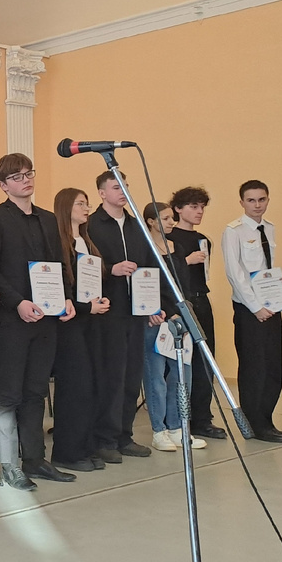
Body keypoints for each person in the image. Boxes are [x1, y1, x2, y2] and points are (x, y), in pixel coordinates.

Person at [0, 153, 76, 490]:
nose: (26, 180)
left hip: (46, 318)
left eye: (29, 173)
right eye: (17, 177)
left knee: (36, 389)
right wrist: (17, 302)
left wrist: (65, 298)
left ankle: (35, 459)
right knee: (9, 393)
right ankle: (9, 464)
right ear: (3, 185)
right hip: (12, 319)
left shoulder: (47, 218)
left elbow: (58, 264)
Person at [86, 171, 155, 461]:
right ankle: (104, 439)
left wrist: (154, 304)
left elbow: (150, 265)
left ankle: (125, 435)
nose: (123, 191)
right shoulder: (91, 226)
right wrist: (110, 269)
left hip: (135, 311)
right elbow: (83, 267)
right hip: (107, 312)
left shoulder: (137, 225)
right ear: (102, 193)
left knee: (131, 376)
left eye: (125, 186)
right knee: (110, 376)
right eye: (116, 187)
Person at [222, 180, 282, 443]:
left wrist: (277, 282)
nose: (257, 205)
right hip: (249, 309)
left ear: (268, 200)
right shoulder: (234, 231)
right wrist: (256, 307)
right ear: (242, 202)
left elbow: (265, 268)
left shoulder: (269, 228)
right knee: (254, 366)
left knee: (273, 365)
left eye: (261, 199)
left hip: (273, 304)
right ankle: (255, 423)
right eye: (251, 200)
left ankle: (267, 419)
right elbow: (235, 274)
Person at [50, 188, 111, 472]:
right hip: (71, 323)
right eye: (80, 204)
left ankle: (87, 446)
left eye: (87, 203)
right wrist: (87, 307)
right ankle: (67, 451)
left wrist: (100, 302)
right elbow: (61, 290)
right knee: (76, 387)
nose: (86, 208)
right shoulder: (59, 244)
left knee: (94, 383)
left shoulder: (87, 242)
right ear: (66, 208)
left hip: (92, 321)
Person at [140, 203, 206, 452]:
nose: (171, 222)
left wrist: (185, 311)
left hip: (180, 317)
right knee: (156, 377)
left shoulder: (176, 247)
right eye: (165, 218)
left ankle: (178, 427)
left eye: (171, 218)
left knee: (182, 375)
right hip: (156, 318)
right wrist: (156, 310)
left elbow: (183, 283)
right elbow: (145, 283)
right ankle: (159, 430)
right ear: (150, 221)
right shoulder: (145, 248)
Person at [168, 186, 226, 439]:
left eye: (202, 207)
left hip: (201, 299)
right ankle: (178, 417)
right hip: (180, 303)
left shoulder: (204, 239)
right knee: (180, 361)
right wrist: (186, 261)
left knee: (205, 359)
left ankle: (202, 417)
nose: (199, 211)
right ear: (178, 209)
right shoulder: (170, 238)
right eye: (193, 207)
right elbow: (164, 271)